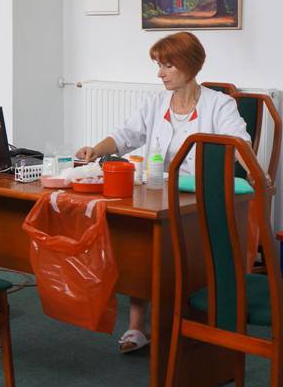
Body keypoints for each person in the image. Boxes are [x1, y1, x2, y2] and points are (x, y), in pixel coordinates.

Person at [76, 31, 250, 353]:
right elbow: (125, 136)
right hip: (160, 193)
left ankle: (187, 325)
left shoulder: (219, 104)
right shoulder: (156, 103)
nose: (160, 73)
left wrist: (253, 168)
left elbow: (238, 143)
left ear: (190, 65)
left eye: (167, 66)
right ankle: (137, 326)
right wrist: (95, 150)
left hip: (199, 200)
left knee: (162, 248)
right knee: (138, 239)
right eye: (159, 65)